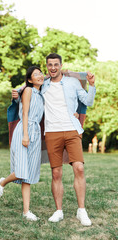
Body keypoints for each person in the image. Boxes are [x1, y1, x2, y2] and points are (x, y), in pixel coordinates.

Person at [41, 53, 95, 225]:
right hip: (52, 132)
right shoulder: (42, 84)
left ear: (61, 65)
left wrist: (92, 85)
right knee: (56, 173)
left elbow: (88, 101)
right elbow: (27, 87)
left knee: (79, 168)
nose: (53, 68)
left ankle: (81, 211)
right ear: (47, 66)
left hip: (72, 130)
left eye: (56, 64)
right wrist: (17, 93)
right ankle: (58, 211)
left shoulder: (72, 82)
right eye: (50, 65)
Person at [0, 66, 44, 221]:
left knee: (27, 177)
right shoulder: (28, 90)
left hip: (36, 132)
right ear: (29, 80)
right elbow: (25, 112)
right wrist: (26, 135)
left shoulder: (41, 94)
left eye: (40, 73)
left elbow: (50, 76)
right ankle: (3, 182)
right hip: (24, 130)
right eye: (36, 75)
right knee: (21, 172)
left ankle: (26, 211)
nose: (40, 76)